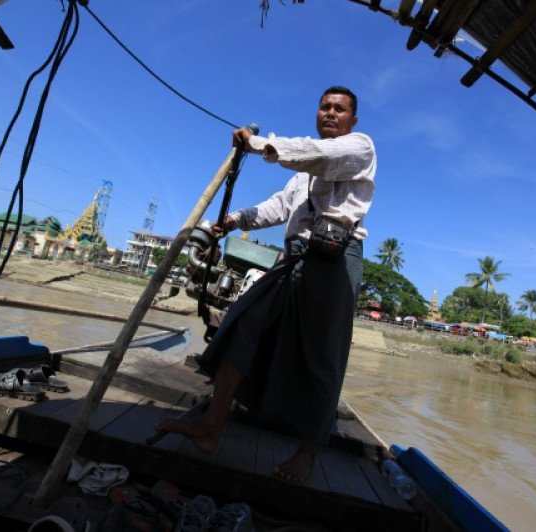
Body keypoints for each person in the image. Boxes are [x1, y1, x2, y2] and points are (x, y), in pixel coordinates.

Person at [155, 86, 376, 483]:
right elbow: (278, 206)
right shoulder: (303, 175)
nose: (330, 113)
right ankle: (211, 425)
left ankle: (308, 452)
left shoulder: (358, 148)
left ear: (352, 120)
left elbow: (318, 155)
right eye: (324, 106)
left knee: (321, 358)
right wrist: (234, 220)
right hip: (293, 258)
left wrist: (257, 144)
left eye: (339, 109)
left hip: (333, 261)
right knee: (243, 322)